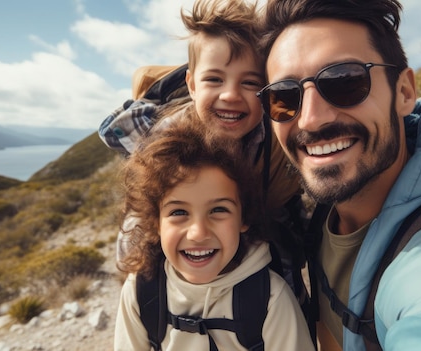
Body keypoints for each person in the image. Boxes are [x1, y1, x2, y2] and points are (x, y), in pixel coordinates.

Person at [256, 0, 421, 350]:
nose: (310, 119)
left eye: (344, 81)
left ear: (404, 92)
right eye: (284, 96)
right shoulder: (327, 210)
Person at [100, 0, 309, 310]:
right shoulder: (166, 144)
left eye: (250, 83)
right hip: (184, 280)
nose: (230, 95)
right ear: (192, 85)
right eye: (214, 79)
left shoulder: (274, 139)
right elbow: (138, 228)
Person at [113, 116, 315, 351]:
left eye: (219, 210)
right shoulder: (142, 290)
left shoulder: (270, 299)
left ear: (244, 218)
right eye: (179, 212)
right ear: (156, 223)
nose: (198, 233)